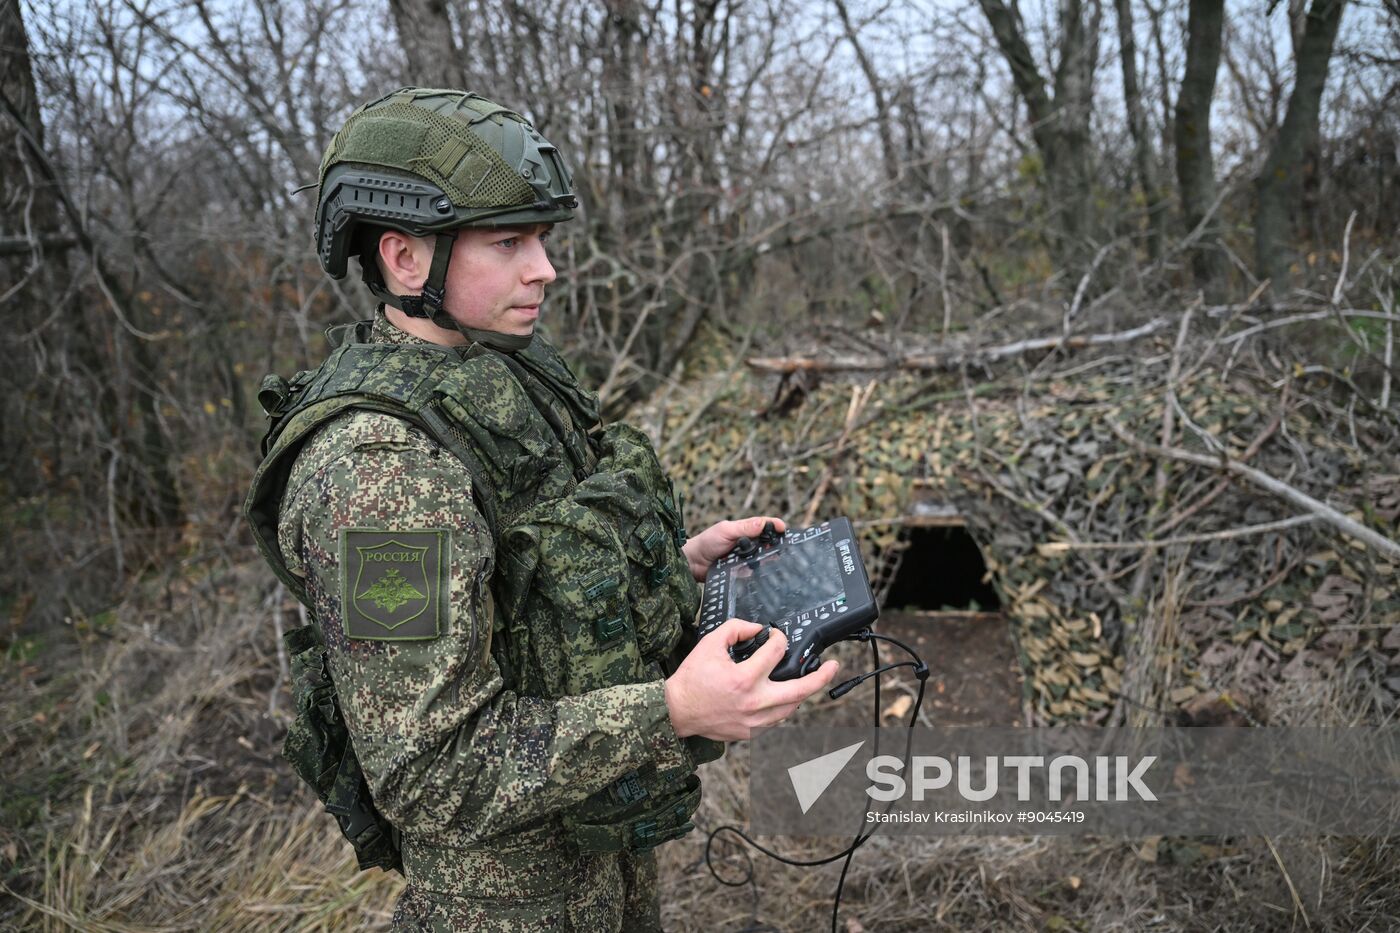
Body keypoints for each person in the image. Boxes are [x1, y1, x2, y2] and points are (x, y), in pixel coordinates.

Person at [243, 87, 839, 931]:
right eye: (509, 242)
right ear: (406, 259)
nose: (545, 268)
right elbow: (432, 767)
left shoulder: (502, 374)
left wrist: (681, 564)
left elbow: (536, 588)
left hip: (604, 870)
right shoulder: (380, 471)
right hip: (507, 905)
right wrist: (671, 710)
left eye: (543, 239)